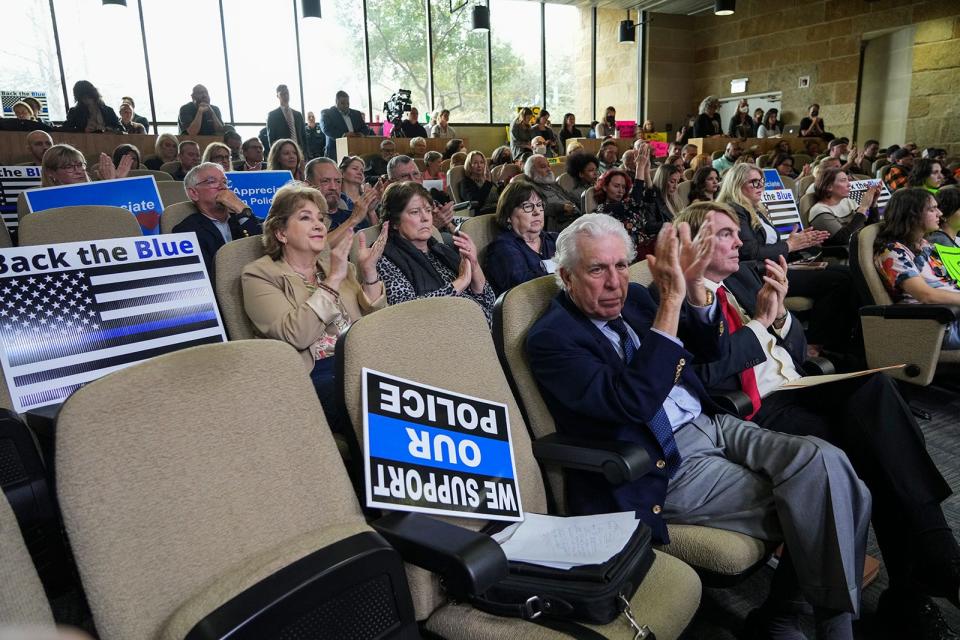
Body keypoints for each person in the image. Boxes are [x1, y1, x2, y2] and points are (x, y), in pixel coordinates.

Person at [526, 213, 870, 640]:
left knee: (827, 460)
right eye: (597, 269)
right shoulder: (552, 339)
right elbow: (632, 402)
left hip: (712, 421)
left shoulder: (634, 297)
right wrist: (669, 304)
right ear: (566, 275)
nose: (614, 281)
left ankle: (791, 616)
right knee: (833, 495)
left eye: (619, 265)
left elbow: (707, 350)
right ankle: (821, 624)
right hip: (660, 460)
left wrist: (692, 294)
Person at [677, 202, 960, 637]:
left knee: (875, 388)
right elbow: (704, 377)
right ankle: (919, 577)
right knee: (868, 458)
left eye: (737, 232)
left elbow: (794, 349)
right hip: (753, 407)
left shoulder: (744, 275)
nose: (740, 242)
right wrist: (760, 324)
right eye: (725, 234)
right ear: (693, 243)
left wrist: (785, 317)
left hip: (799, 385)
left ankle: (925, 561)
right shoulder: (677, 298)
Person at [242, 181, 386, 426]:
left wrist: (369, 272)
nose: (319, 224)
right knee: (375, 409)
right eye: (306, 218)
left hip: (362, 359)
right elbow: (296, 335)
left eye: (320, 218)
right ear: (281, 232)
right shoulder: (258, 275)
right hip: (316, 372)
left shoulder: (337, 265)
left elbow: (375, 320)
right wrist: (332, 282)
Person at [717, 163, 858, 354]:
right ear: (736, 184)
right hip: (762, 275)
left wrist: (799, 243)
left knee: (847, 273)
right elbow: (749, 252)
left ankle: (838, 340)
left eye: (762, 182)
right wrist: (790, 245)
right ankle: (814, 343)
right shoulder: (735, 210)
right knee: (840, 280)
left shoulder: (754, 209)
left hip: (776, 267)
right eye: (754, 182)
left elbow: (768, 247)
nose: (760, 187)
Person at [376, 181, 495, 321]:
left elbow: (490, 303)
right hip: (447, 336)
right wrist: (461, 282)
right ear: (394, 221)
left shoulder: (441, 249)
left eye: (427, 210)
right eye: (415, 212)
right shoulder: (384, 258)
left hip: (479, 327)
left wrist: (474, 265)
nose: (425, 218)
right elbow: (409, 312)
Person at [874, 188, 960, 349]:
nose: (940, 213)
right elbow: (926, 296)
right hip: (938, 324)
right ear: (912, 215)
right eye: (932, 209)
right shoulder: (893, 252)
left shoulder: (924, 245)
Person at [173, 163, 262, 280]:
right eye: (212, 182)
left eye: (224, 182)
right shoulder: (186, 232)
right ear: (194, 193)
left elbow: (265, 247)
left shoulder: (241, 219)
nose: (222, 187)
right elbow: (205, 278)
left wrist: (241, 208)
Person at [485, 181, 559, 294]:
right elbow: (524, 289)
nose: (537, 212)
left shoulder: (555, 239)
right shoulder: (502, 248)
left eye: (539, 205)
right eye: (528, 206)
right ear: (508, 215)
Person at [808, 168, 879, 246]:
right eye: (843, 180)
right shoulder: (819, 211)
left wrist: (873, 204)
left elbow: (870, 227)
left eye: (848, 180)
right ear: (829, 187)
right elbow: (844, 239)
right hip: (841, 255)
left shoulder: (848, 202)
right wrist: (863, 207)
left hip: (863, 246)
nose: (849, 184)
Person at [522, 154, 580, 232]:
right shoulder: (530, 189)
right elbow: (539, 208)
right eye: (543, 167)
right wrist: (562, 207)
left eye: (549, 166)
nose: (549, 169)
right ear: (531, 172)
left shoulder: (553, 184)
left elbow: (569, 197)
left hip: (573, 218)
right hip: (558, 225)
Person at [40, 144, 130, 187]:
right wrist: (111, 185)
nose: (78, 171)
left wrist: (117, 183)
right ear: (50, 172)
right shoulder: (43, 200)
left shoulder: (96, 190)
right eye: (69, 167)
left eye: (80, 165)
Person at [319, 91, 375, 160]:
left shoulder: (356, 114)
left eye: (348, 103)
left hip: (356, 150)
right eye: (342, 103)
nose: (346, 106)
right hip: (335, 152)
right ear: (336, 101)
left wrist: (360, 134)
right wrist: (344, 135)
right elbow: (326, 129)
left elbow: (364, 128)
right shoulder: (327, 113)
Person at [459, 150, 498, 216]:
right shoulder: (466, 183)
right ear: (469, 165)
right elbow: (476, 202)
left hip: (498, 209)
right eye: (475, 163)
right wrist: (487, 183)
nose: (479, 165)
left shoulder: (488, 178)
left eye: (482, 162)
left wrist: (502, 184)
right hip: (483, 214)